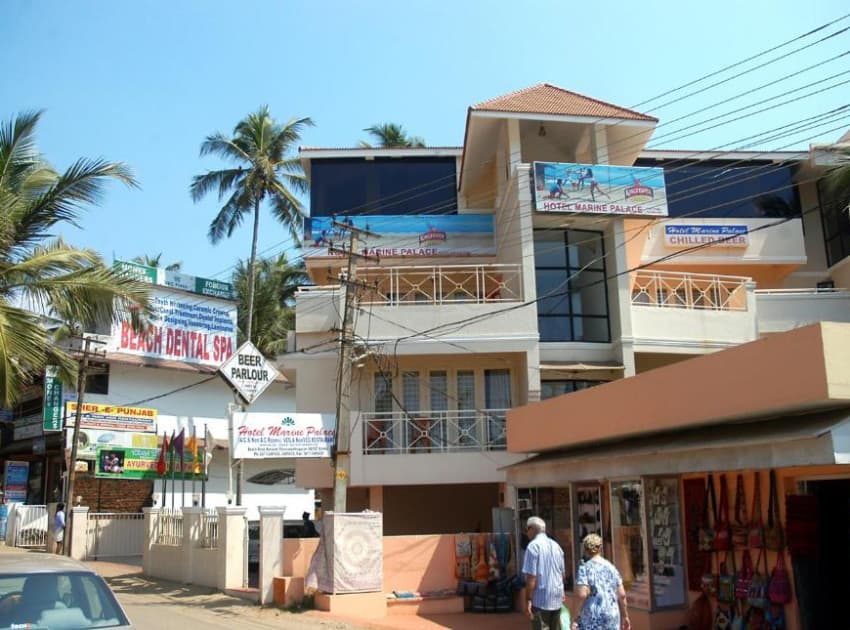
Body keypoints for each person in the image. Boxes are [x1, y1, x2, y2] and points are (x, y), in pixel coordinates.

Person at [573, 533, 630, 630]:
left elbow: (582, 595)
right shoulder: (611, 567)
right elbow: (622, 594)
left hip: (593, 616)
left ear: (585, 550)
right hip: (612, 614)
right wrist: (625, 616)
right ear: (600, 549)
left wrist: (574, 618)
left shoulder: (584, 568)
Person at [522, 515, 566, 630]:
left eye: (527, 530)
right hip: (556, 599)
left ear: (532, 529)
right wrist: (561, 592)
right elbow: (562, 574)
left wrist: (528, 600)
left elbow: (531, 577)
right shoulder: (557, 546)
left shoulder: (533, 547)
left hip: (540, 601)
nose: (527, 533)